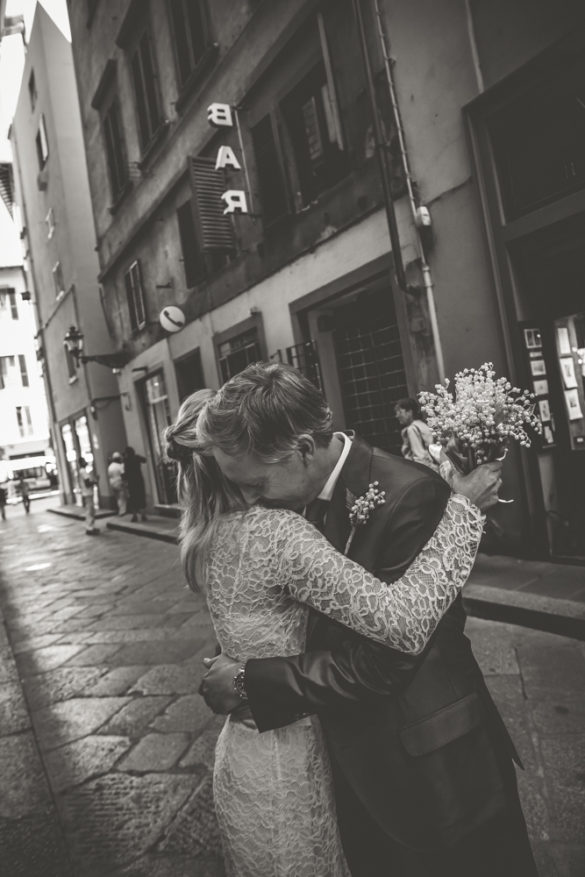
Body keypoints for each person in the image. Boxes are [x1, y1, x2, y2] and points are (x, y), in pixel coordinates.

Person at [198, 363, 537, 877]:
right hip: (343, 764)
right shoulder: (287, 508)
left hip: (428, 778)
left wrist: (252, 682)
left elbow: (389, 658)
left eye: (258, 483)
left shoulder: (411, 493)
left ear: (304, 451)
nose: (253, 501)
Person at [395, 396, 436, 468]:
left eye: (400, 412)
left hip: (425, 470)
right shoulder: (421, 424)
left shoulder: (412, 429)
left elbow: (420, 457)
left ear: (409, 412)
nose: (397, 416)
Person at [123, 446, 147, 522]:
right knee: (141, 497)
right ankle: (143, 515)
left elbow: (126, 472)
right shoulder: (136, 458)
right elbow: (144, 460)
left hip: (131, 482)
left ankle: (134, 516)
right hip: (139, 480)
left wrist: (125, 482)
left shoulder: (126, 460)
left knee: (133, 498)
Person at [78, 457, 98, 535]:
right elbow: (87, 483)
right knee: (90, 511)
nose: (86, 462)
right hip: (87, 493)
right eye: (84, 461)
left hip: (87, 493)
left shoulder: (83, 471)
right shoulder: (83, 471)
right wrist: (95, 481)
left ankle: (91, 526)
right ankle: (89, 528)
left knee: (91, 510)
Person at [107, 452, 127, 516]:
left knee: (117, 498)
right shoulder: (119, 466)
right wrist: (125, 482)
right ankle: (122, 511)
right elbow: (123, 474)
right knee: (122, 497)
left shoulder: (110, 466)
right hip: (119, 482)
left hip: (112, 483)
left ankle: (120, 510)